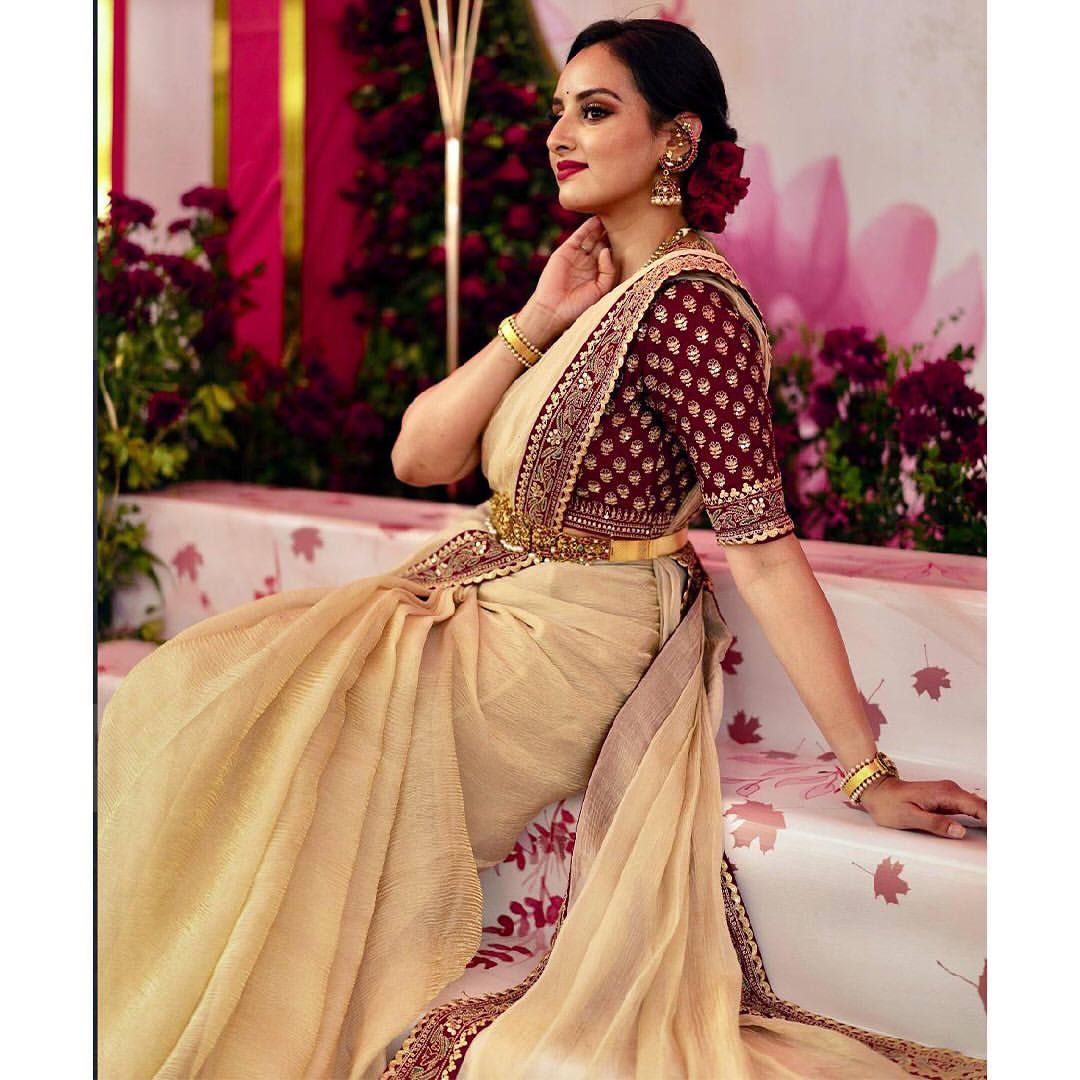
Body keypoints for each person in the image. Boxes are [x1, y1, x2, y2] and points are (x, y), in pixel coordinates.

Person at [97, 17, 987, 1080]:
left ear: (677, 138)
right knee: (199, 693)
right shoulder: (595, 295)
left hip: (576, 635)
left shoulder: (692, 309)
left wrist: (867, 771)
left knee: (293, 756)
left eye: (595, 111)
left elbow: (759, 549)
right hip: (492, 591)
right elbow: (420, 456)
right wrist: (533, 315)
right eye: (558, 112)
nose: (559, 134)